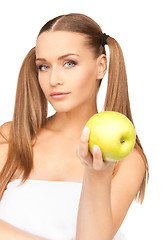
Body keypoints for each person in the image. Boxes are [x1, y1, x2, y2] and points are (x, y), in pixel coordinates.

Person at [0, 13, 149, 240]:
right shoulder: (12, 138)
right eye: (44, 66)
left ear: (101, 66)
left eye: (69, 63)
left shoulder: (127, 158)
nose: (54, 79)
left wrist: (97, 173)